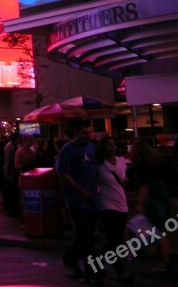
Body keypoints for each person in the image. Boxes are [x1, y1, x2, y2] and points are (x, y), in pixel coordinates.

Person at [56, 120, 100, 283]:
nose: (86, 136)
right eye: (83, 133)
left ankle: (70, 257)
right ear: (76, 132)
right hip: (76, 200)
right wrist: (80, 189)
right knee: (86, 235)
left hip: (91, 198)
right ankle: (92, 270)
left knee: (84, 235)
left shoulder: (91, 148)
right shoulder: (67, 150)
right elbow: (63, 174)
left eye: (88, 133)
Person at [131, 137, 173, 273]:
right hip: (163, 196)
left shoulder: (141, 165)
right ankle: (164, 257)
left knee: (156, 231)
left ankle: (165, 259)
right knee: (160, 230)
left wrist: (140, 204)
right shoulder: (157, 161)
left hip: (151, 199)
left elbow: (144, 187)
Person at [95, 136, 132, 282]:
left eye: (113, 144)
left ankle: (97, 263)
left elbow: (124, 181)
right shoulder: (99, 165)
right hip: (107, 203)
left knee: (115, 239)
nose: (112, 147)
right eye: (109, 145)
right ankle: (120, 270)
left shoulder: (122, 162)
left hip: (121, 203)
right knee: (114, 238)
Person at [2, 132, 21, 217]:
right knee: (14, 193)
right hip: (12, 173)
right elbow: (13, 163)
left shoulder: (8, 146)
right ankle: (14, 211)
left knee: (10, 193)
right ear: (16, 139)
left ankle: (10, 209)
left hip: (8, 173)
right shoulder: (14, 147)